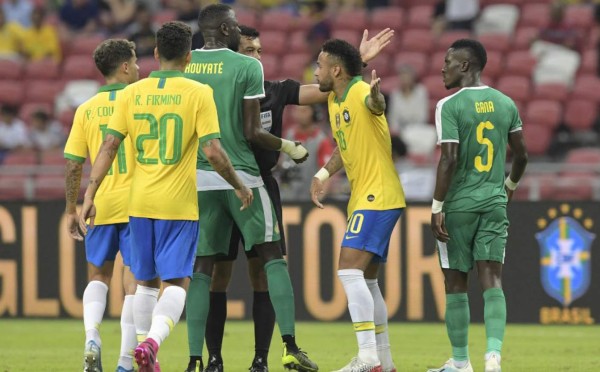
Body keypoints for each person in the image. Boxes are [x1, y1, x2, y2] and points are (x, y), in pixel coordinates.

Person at [199, 24, 393, 372]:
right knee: (218, 276)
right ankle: (212, 357)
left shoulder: (275, 90)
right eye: (248, 50)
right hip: (218, 186)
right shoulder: (214, 92)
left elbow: (328, 89)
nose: (256, 57)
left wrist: (355, 61)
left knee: (264, 271)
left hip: (260, 186)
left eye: (259, 50)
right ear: (231, 55)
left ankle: (263, 358)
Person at [78, 21, 253, 372]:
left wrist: (90, 192)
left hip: (138, 205)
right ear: (188, 57)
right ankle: (151, 343)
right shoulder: (198, 92)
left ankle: (145, 353)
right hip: (178, 204)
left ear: (156, 53)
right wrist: (238, 183)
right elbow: (215, 152)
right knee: (176, 282)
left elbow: (109, 146)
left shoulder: (132, 93)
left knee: (143, 283)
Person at [182, 4, 317, 372]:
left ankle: (199, 360)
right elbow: (251, 132)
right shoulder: (247, 68)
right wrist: (288, 147)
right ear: (227, 28)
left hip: (198, 177)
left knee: (203, 268)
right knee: (273, 259)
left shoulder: (185, 65)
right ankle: (289, 347)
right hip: (242, 174)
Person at [427, 39, 528, 372]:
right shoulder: (505, 103)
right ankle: (493, 357)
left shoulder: (449, 105)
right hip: (495, 202)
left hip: (459, 206)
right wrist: (509, 187)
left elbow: (449, 159)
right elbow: (522, 155)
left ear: (466, 66)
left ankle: (460, 363)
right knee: (492, 279)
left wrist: (437, 206)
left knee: (456, 283)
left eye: (449, 61)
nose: (443, 67)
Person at [311, 39, 406, 372]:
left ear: (336, 69)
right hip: (368, 196)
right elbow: (343, 147)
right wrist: (322, 174)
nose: (316, 70)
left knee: (347, 270)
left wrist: (378, 99)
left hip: (376, 196)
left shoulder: (359, 91)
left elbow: (375, 104)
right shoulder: (335, 101)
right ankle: (385, 362)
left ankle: (367, 357)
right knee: (366, 281)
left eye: (320, 65)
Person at [64, 39, 139, 372]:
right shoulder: (139, 101)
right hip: (139, 203)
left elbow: (73, 164)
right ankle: (125, 361)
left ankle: (91, 337)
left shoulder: (86, 109)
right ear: (124, 67)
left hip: (100, 204)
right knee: (135, 284)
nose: (138, 68)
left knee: (98, 277)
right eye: (135, 62)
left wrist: (71, 208)